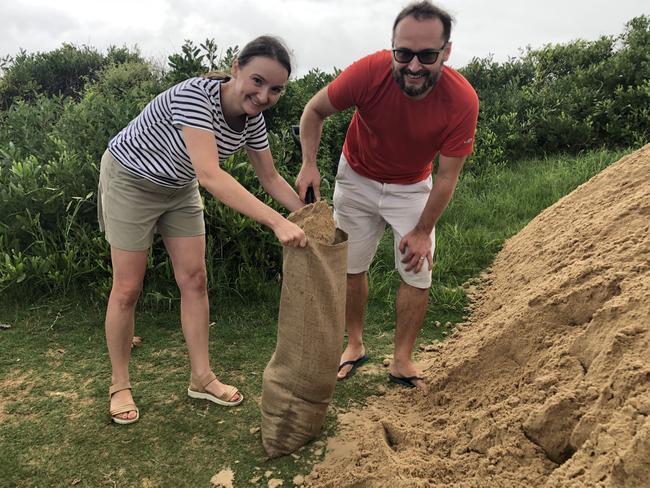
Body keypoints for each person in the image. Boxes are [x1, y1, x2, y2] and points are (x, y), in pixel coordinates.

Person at [99, 36, 307, 424]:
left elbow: (272, 178)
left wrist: (310, 215)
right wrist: (277, 222)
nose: (264, 95)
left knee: (194, 279)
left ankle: (201, 377)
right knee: (127, 288)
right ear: (236, 67)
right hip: (131, 179)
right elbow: (211, 175)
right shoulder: (196, 96)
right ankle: (120, 384)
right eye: (258, 81)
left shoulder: (253, 121)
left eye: (275, 89)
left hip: (179, 186)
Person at [295, 1, 479, 390]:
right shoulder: (368, 72)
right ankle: (355, 345)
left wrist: (422, 230)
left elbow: (447, 177)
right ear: (392, 46)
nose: (413, 66)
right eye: (404, 53)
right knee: (351, 266)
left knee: (418, 269)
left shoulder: (462, 100)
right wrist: (308, 163)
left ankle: (401, 360)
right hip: (356, 177)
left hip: (413, 186)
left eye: (427, 55)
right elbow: (314, 110)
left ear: (446, 51)